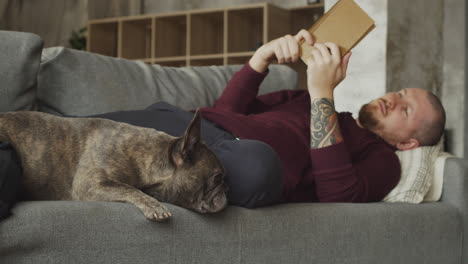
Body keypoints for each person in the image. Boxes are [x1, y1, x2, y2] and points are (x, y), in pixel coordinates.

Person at [0, 29, 446, 215]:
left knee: (259, 168)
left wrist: (322, 94)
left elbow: (337, 195)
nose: (392, 99)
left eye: (406, 109)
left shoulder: (381, 161)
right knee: (56, 137)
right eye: (398, 92)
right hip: (178, 133)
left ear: (409, 143)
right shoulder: (297, 97)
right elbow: (225, 113)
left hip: (231, 164)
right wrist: (261, 59)